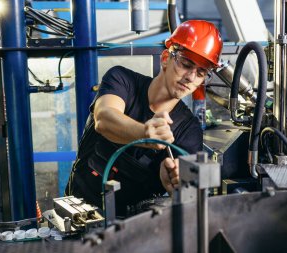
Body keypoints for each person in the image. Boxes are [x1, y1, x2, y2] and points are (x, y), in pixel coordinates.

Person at [65, 20, 223, 217]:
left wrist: (173, 182)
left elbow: (185, 189)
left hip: (133, 224)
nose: (191, 78)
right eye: (186, 64)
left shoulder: (189, 131)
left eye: (201, 73)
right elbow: (104, 119)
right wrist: (145, 134)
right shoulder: (122, 80)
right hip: (79, 207)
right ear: (166, 58)